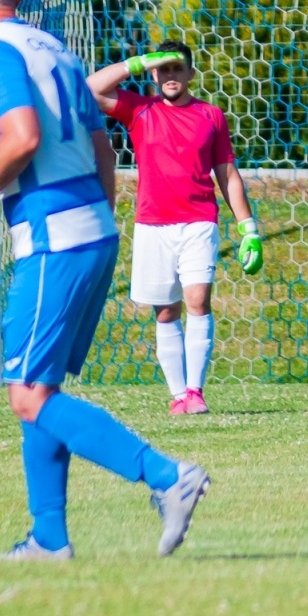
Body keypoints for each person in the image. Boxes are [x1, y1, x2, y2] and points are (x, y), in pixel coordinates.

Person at [0, 0, 209, 560]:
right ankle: (49, 538)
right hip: (93, 228)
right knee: (39, 387)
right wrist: (99, 218)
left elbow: (23, 137)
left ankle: (167, 476)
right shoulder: (57, 50)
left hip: (52, 235)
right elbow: (104, 150)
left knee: (27, 394)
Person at [85, 41, 262, 415]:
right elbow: (90, 89)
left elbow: (227, 174)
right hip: (153, 226)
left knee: (198, 301)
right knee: (166, 312)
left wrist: (248, 228)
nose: (170, 75)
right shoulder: (140, 110)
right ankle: (179, 395)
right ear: (153, 73)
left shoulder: (211, 116)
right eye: (163, 68)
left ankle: (196, 392)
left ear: (190, 74)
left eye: (177, 68)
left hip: (199, 222)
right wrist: (136, 62)